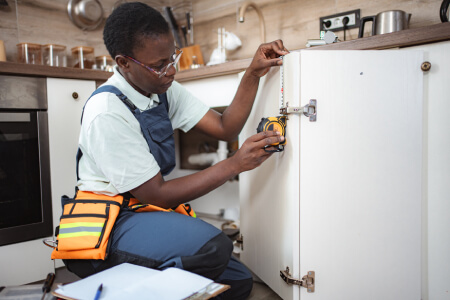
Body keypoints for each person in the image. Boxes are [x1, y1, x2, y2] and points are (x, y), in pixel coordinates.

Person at [62, 2, 288, 299]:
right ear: (124, 62)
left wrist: (252, 73)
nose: (171, 71)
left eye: (172, 58)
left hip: (143, 212)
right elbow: (156, 193)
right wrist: (234, 164)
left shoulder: (160, 89)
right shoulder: (107, 110)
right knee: (214, 247)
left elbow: (225, 127)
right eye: (159, 65)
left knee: (238, 282)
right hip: (109, 227)